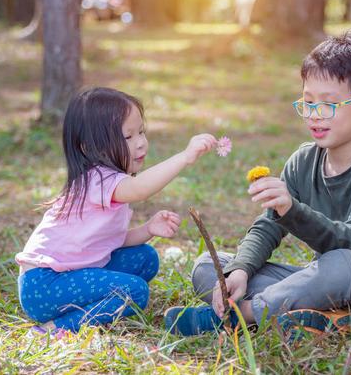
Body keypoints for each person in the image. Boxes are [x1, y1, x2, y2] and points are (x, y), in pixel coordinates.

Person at [165, 31, 351, 337]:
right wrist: (240, 269)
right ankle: (324, 317)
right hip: (326, 281)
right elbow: (268, 226)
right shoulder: (304, 160)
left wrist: (293, 209)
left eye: (329, 104)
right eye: (307, 102)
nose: (315, 115)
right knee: (209, 268)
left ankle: (244, 315)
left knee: (345, 264)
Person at [16, 87, 218, 336]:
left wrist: (147, 230)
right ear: (92, 147)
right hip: (44, 285)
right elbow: (140, 188)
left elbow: (106, 242)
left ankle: (87, 305)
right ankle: (55, 328)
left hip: (69, 274)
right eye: (128, 137)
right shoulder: (97, 179)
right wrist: (185, 157)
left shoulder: (110, 180)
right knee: (135, 292)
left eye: (141, 132)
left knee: (145, 258)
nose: (141, 142)